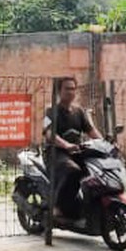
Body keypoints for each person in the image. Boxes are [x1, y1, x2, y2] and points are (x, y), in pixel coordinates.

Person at [46, 77, 102, 219]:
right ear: (59, 91)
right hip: (56, 153)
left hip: (77, 152)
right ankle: (57, 206)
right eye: (67, 88)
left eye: (73, 88)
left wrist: (105, 144)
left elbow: (91, 131)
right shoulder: (50, 111)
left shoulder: (79, 112)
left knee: (96, 170)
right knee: (73, 170)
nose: (71, 92)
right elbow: (48, 134)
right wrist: (66, 145)